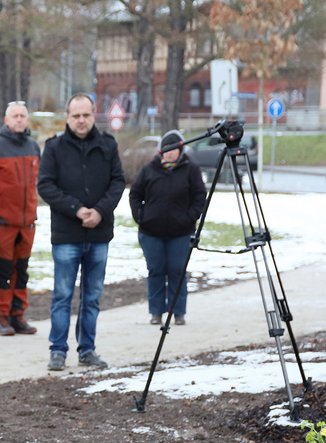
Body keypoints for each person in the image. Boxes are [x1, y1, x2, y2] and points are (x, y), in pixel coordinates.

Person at [37, 93, 125, 371]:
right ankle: (58, 350)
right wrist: (76, 209)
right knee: (62, 295)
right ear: (68, 117)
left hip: (99, 234)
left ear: (93, 114)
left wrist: (99, 211)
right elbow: (46, 185)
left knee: (92, 296)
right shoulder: (54, 148)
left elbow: (117, 182)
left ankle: (87, 349)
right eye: (76, 116)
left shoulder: (107, 145)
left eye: (86, 115)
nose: (81, 120)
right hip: (67, 234)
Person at [128, 130, 205, 327]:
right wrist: (141, 216)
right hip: (151, 232)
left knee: (177, 271)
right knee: (156, 271)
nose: (169, 154)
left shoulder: (191, 170)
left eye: (173, 150)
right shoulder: (149, 170)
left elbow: (199, 197)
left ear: (180, 150)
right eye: (165, 150)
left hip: (181, 233)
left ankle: (178, 312)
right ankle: (156, 312)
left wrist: (190, 217)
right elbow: (135, 194)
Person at [0, 102, 40, 337]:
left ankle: (18, 315)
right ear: (6, 120)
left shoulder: (34, 146)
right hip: (1, 222)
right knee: (3, 272)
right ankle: (1, 316)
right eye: (15, 116)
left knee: (22, 270)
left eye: (22, 116)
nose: (19, 120)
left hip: (27, 221)